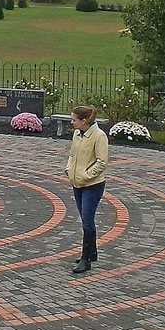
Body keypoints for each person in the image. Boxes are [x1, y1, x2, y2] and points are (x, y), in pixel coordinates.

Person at [65, 105, 108, 274]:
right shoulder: (77, 134)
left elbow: (101, 162)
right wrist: (69, 169)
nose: (72, 122)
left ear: (84, 121)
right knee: (85, 218)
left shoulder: (99, 136)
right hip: (77, 184)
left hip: (92, 185)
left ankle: (86, 259)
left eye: (74, 120)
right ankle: (92, 252)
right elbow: (72, 155)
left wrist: (85, 175)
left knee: (87, 221)